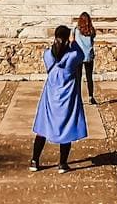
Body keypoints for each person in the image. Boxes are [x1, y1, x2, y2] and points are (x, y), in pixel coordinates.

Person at [32, 24, 87, 171]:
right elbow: (81, 55)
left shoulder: (48, 55)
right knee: (66, 130)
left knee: (42, 129)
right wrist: (74, 42)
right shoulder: (72, 56)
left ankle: (34, 161)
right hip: (67, 97)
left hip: (50, 96)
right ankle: (62, 163)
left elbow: (52, 54)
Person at [74, 11, 98, 105]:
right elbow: (93, 39)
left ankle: (78, 97)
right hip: (88, 56)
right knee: (89, 77)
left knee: (78, 78)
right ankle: (90, 96)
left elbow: (73, 40)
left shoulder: (76, 30)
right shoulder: (92, 30)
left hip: (79, 55)